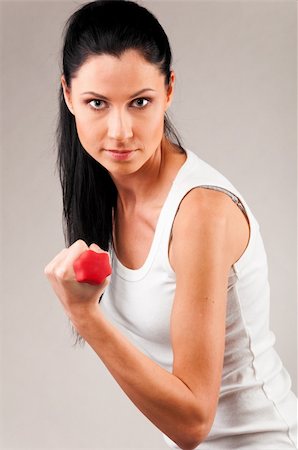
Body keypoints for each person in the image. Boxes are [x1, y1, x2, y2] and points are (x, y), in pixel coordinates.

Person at [44, 1, 298, 449]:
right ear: (68, 95)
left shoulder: (200, 212)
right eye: (97, 104)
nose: (120, 131)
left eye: (140, 102)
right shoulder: (107, 196)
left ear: (169, 90)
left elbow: (193, 422)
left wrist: (84, 315)